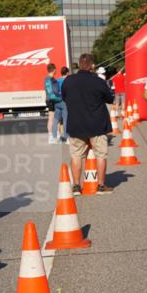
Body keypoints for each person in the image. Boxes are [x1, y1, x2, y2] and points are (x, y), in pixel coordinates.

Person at [62, 54, 115, 194]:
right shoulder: (98, 82)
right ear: (92, 66)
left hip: (76, 124)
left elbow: (64, 97)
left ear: (79, 65)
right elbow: (110, 98)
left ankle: (76, 187)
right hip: (97, 124)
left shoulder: (68, 81)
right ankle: (101, 186)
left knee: (76, 155)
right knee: (100, 155)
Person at [45, 63, 62, 144]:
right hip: (53, 100)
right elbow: (52, 92)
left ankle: (54, 136)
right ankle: (52, 137)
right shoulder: (50, 79)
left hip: (50, 100)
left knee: (54, 118)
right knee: (53, 118)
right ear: (54, 70)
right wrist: (59, 98)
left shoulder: (47, 78)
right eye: (56, 69)